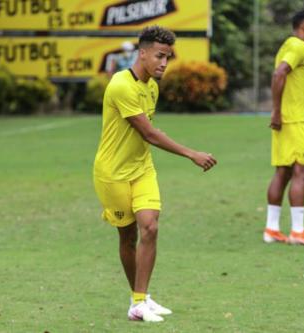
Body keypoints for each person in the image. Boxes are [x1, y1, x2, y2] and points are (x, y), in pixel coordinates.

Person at [93, 26, 217, 323]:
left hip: (142, 168)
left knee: (150, 227)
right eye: (160, 56)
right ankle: (139, 299)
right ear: (143, 53)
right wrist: (192, 153)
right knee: (128, 236)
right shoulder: (121, 85)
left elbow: (147, 135)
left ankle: (140, 301)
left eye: (168, 57)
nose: (164, 63)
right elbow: (148, 133)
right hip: (113, 173)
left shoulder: (152, 86)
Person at [263, 10, 304, 248]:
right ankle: (298, 232)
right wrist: (277, 110)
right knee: (303, 172)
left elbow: (279, 73)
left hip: (286, 120)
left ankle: (272, 229)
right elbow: (279, 73)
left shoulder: (288, 45)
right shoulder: (299, 46)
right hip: (295, 120)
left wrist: (278, 112)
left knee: (284, 172)